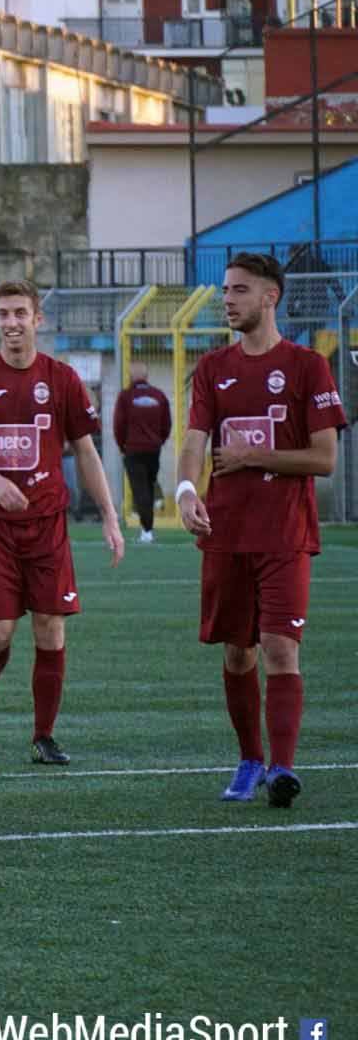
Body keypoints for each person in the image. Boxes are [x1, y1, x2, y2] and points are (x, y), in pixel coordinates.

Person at [176, 252, 344, 808]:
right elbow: (196, 440)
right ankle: (250, 758)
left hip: (285, 534)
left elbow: (325, 459)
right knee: (238, 653)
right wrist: (185, 490)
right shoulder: (211, 368)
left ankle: (283, 768)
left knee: (278, 647)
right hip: (225, 534)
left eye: (239, 290)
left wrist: (254, 455)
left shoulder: (306, 366)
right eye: (225, 290)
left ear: (270, 296)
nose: (227, 299)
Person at [0, 279, 123, 765]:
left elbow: (87, 452)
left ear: (37, 319)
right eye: (3, 314)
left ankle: (43, 737)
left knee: (50, 627)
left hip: (47, 522)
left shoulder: (62, 379)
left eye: (19, 314)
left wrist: (110, 517)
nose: (11, 323)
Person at [113, 362, 171, 544]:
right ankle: (148, 527)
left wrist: (123, 446)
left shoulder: (125, 396)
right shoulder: (159, 395)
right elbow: (166, 423)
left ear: (131, 376)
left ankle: (147, 531)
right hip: (154, 450)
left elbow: (118, 425)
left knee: (140, 490)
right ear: (147, 376)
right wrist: (159, 441)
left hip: (133, 449)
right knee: (149, 486)